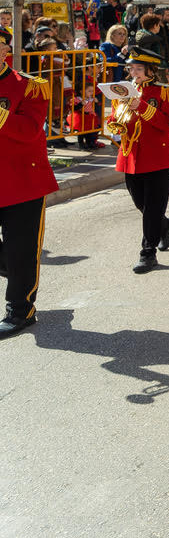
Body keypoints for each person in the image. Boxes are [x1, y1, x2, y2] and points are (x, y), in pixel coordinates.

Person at [0, 27, 59, 339]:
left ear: (5, 51)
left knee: (21, 249)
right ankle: (15, 270)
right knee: (13, 256)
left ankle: (21, 310)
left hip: (22, 180)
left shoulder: (30, 86)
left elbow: (30, 131)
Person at [112, 49, 169, 273]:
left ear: (151, 71)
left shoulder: (164, 92)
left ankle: (148, 253)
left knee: (152, 208)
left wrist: (141, 106)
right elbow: (116, 119)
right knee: (140, 202)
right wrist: (113, 118)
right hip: (131, 154)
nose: (134, 73)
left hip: (157, 156)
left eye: (139, 69)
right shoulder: (124, 90)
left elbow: (167, 124)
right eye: (131, 69)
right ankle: (165, 224)